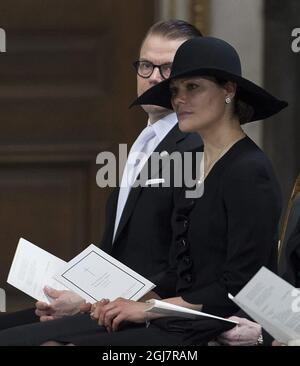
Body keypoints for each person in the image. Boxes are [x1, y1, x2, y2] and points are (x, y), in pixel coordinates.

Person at [40, 35, 286, 346]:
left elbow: (240, 285)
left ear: (228, 91)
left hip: (220, 331)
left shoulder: (249, 170)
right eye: (175, 91)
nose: (179, 99)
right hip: (176, 321)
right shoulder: (192, 163)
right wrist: (115, 302)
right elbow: (179, 269)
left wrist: (148, 310)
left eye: (193, 87)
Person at [0, 19, 203, 345]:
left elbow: (184, 268)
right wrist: (76, 292)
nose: (152, 77)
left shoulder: (195, 147)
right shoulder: (143, 140)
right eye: (146, 65)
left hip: (149, 316)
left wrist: (86, 302)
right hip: (103, 303)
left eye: (167, 69)